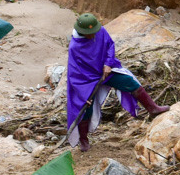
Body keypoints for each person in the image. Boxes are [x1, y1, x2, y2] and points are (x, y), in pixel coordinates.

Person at [65, 12, 168, 150]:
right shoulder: (74, 47)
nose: (94, 35)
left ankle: (152, 108)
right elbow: (75, 74)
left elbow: (109, 46)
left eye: (95, 31)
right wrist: (83, 94)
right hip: (86, 80)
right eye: (90, 33)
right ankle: (83, 139)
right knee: (86, 107)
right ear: (82, 32)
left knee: (130, 82)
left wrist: (108, 63)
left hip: (106, 70)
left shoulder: (100, 30)